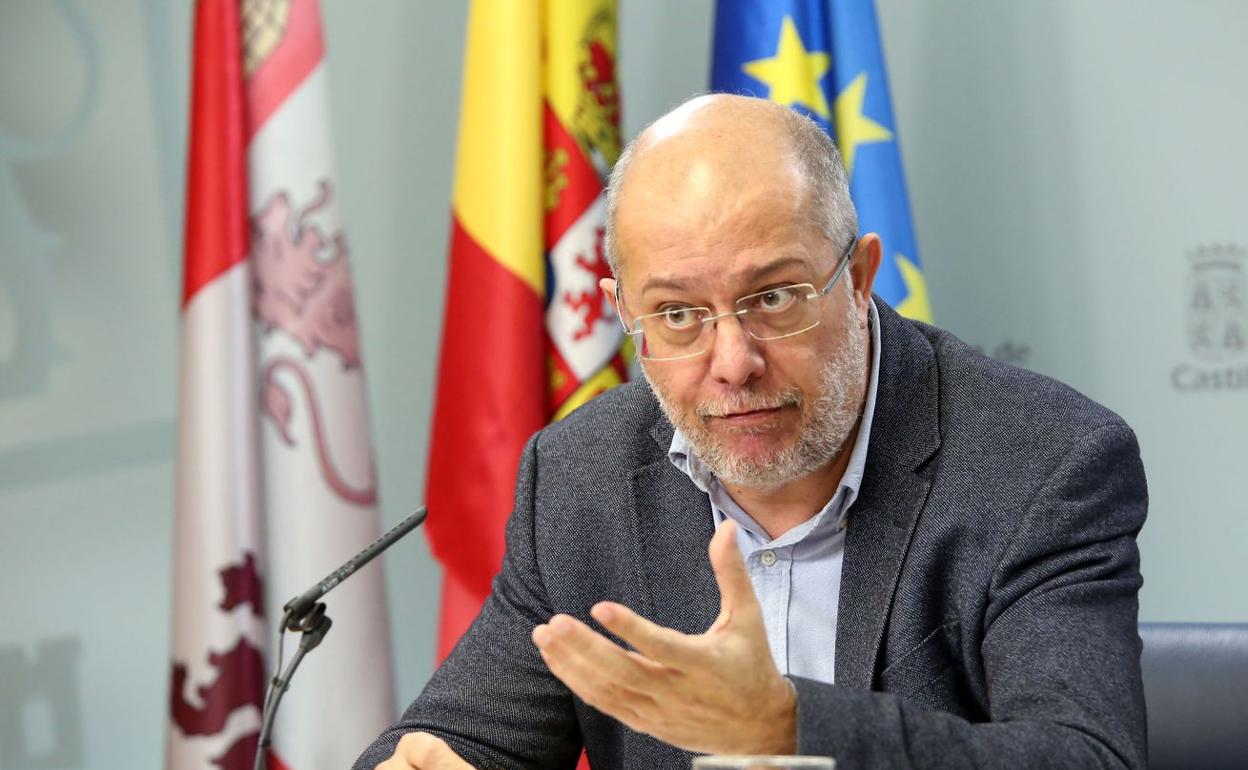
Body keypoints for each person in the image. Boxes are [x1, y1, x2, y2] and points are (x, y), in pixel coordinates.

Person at [355, 94, 1148, 769]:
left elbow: (1083, 755)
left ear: (860, 279)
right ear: (625, 313)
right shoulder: (580, 476)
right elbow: (466, 739)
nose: (732, 364)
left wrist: (786, 728)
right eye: (676, 315)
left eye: (774, 298)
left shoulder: (1041, 462)